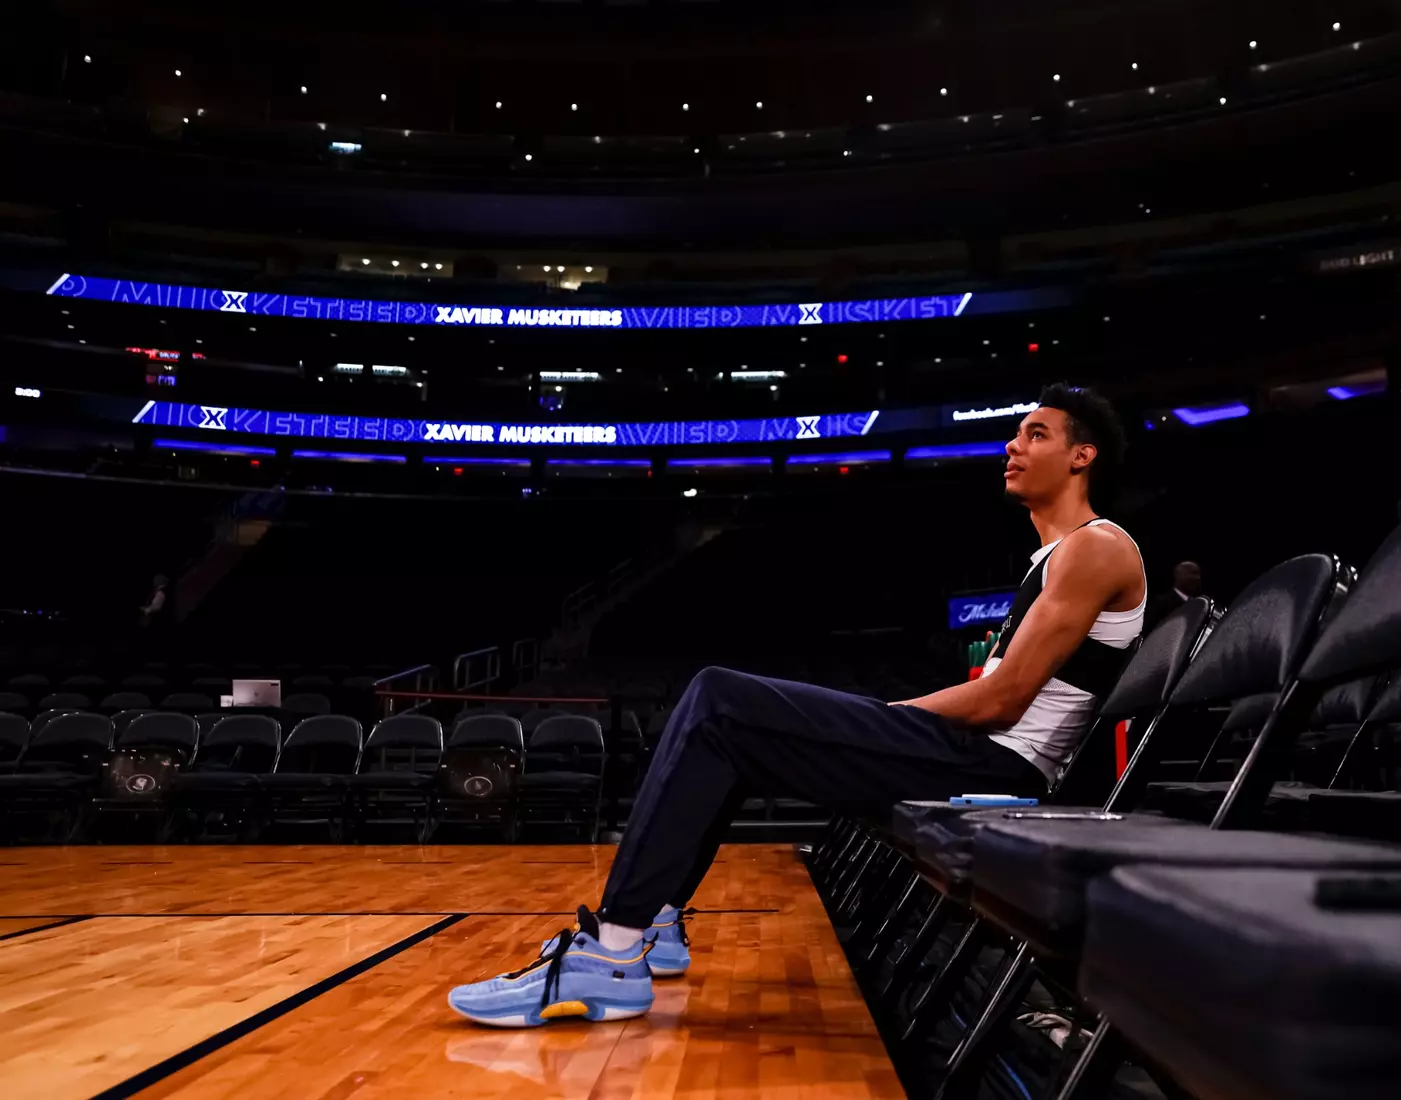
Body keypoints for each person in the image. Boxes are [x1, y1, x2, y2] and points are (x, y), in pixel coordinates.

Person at [447, 383, 1148, 1027]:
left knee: (719, 699)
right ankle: (648, 924)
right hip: (977, 756)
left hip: (1000, 770)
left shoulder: (1097, 547)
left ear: (1082, 455)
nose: (1012, 446)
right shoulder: (1051, 558)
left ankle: (614, 948)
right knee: (726, 727)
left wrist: (887, 717)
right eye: (1015, 435)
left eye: (1035, 434)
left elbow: (1002, 700)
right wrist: (882, 716)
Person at [1144, 560, 1202, 635]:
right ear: (1178, 574)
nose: (1197, 578)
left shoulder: (1197, 605)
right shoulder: (1162, 603)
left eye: (1198, 574)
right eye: (1192, 573)